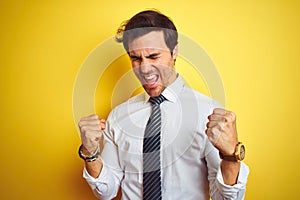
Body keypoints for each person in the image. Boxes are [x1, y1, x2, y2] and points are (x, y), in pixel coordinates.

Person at [78, 9, 249, 200]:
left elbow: (226, 198)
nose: (144, 68)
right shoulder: (118, 117)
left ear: (174, 52)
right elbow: (106, 191)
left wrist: (229, 157)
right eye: (135, 58)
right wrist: (90, 152)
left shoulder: (208, 113)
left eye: (153, 56)